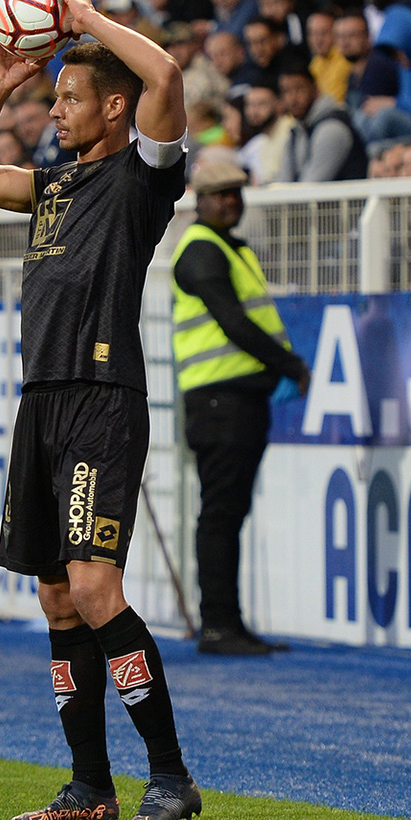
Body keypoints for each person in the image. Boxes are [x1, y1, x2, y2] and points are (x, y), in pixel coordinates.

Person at [0, 0, 202, 820]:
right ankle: (89, 783)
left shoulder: (142, 181)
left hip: (101, 400)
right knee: (57, 601)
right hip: (40, 404)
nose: (54, 110)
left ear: (114, 110)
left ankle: (169, 775)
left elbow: (165, 77)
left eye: (67, 96)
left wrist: (86, 18)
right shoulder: (53, 187)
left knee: (97, 588)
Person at [170, 158, 310, 657]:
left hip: (235, 400)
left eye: (235, 193)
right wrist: (291, 365)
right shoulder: (202, 250)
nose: (230, 201)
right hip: (218, 400)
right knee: (221, 514)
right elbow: (234, 324)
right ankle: (218, 625)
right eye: (220, 193)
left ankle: (228, 622)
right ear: (199, 200)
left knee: (227, 513)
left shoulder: (228, 247)